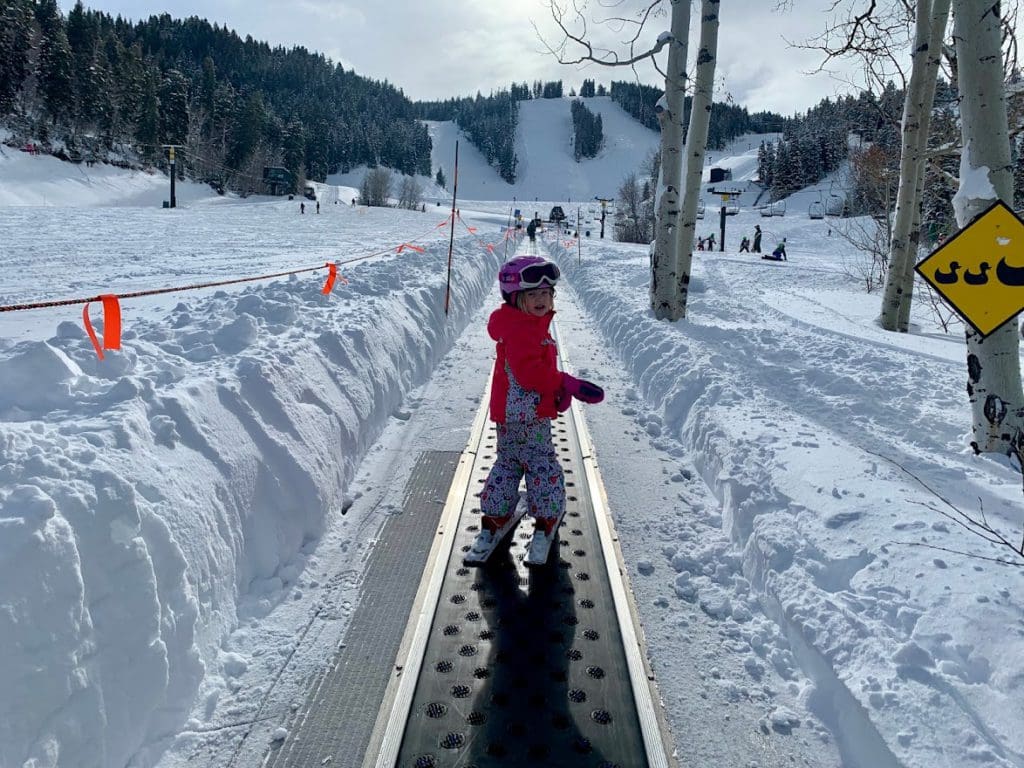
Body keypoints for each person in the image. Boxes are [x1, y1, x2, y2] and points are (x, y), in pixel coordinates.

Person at [479, 256, 603, 560]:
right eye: (533, 294)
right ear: (515, 298)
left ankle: (495, 516)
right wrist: (566, 383)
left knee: (508, 464)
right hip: (529, 418)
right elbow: (530, 374)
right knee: (541, 466)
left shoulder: (518, 324)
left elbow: (530, 374)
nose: (542, 299)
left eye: (547, 293)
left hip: (510, 417)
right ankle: (547, 518)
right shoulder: (524, 330)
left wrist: (554, 392)